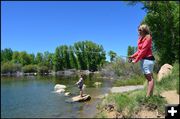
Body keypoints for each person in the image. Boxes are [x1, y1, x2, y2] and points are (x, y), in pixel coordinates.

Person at [129, 24, 155, 97]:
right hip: (144, 60)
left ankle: (148, 97)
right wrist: (132, 56)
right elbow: (139, 51)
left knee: (149, 78)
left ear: (144, 30)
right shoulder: (141, 38)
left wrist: (136, 60)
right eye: (138, 30)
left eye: (140, 30)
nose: (139, 31)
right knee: (149, 78)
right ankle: (150, 95)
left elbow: (143, 51)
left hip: (148, 59)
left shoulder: (148, 37)